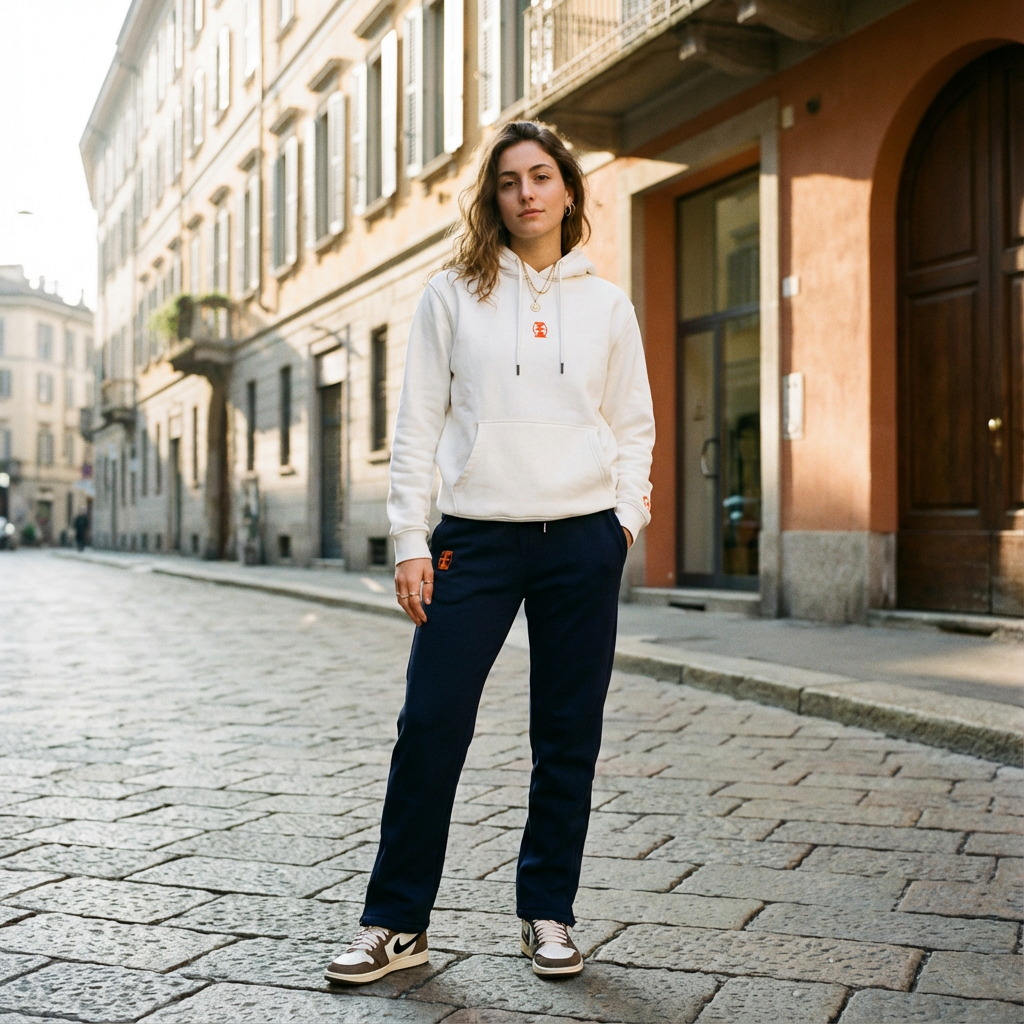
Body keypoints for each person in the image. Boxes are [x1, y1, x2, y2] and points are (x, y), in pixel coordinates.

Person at [325, 120, 655, 985]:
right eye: (508, 182)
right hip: (473, 539)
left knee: (567, 734)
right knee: (430, 724)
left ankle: (548, 913)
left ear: (569, 190)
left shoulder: (606, 305)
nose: (526, 194)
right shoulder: (450, 295)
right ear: (493, 199)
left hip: (582, 539)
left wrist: (624, 521)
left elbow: (633, 424)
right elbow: (416, 426)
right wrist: (410, 537)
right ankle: (396, 923)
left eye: (541, 176)